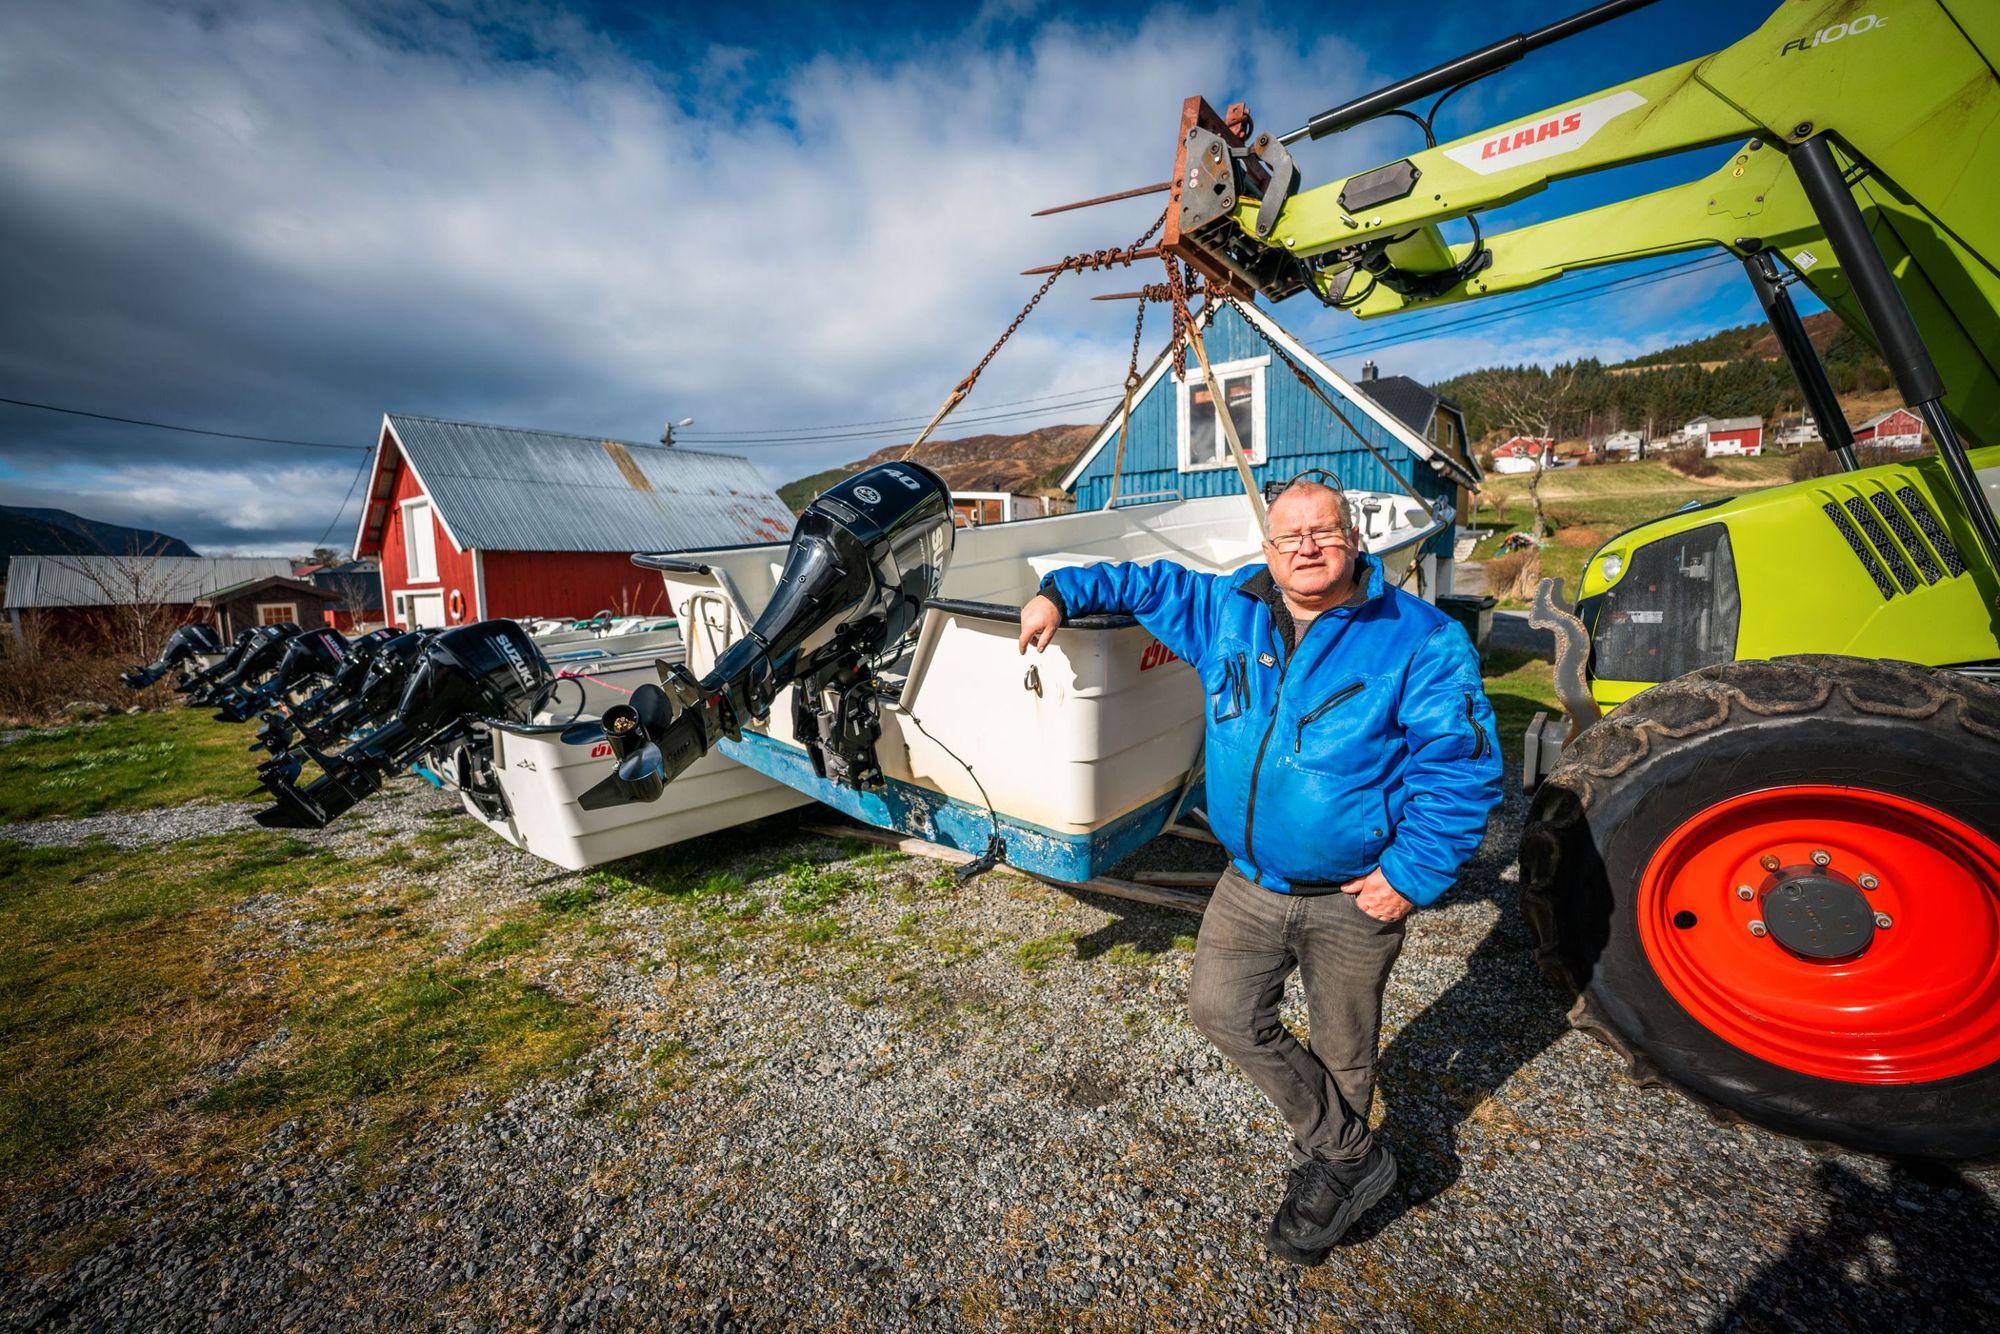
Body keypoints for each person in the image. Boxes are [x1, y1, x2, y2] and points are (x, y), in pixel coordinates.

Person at [1018, 477, 1503, 1264]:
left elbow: (1463, 769)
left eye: (1323, 531)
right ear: (1268, 549)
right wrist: (1056, 595)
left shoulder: (1420, 638)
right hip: (1248, 880)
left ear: (1354, 538)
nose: (1306, 547)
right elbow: (1143, 580)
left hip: (1354, 894)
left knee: (1346, 1051)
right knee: (1222, 1012)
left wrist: (1411, 875)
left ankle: (1330, 1172)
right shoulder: (1226, 610)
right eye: (1288, 537)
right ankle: (1356, 1158)